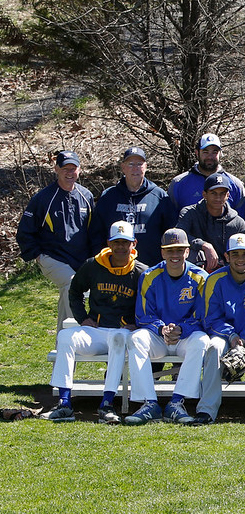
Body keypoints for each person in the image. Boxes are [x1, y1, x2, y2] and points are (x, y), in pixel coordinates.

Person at [41, 221, 147, 423]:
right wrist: (83, 318)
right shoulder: (93, 265)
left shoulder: (141, 271)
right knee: (65, 337)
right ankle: (64, 403)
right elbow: (75, 291)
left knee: (117, 338)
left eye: (125, 243)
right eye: (116, 243)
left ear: (134, 244)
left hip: (123, 332)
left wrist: (138, 323)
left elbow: (151, 302)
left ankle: (106, 404)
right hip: (97, 332)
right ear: (109, 243)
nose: (121, 247)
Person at [124, 228, 210, 425]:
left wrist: (182, 329)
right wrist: (161, 329)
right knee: (136, 338)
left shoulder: (200, 277)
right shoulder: (149, 276)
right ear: (162, 252)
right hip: (159, 337)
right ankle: (149, 403)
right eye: (170, 250)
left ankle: (177, 402)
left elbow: (204, 314)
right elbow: (143, 315)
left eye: (179, 250)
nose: (175, 255)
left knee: (202, 341)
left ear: (188, 252)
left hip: (185, 337)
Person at [192, 234, 245, 424]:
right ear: (227, 256)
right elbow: (210, 317)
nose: (240, 259)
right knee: (213, 347)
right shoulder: (214, 280)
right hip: (222, 334)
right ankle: (207, 409)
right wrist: (231, 336)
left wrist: (243, 338)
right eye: (235, 254)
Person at [17, 150, 94, 330]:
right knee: (72, 283)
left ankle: (63, 348)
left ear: (79, 170)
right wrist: (37, 256)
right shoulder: (43, 198)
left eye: (73, 168)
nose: (69, 173)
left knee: (69, 292)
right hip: (53, 258)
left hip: (80, 260)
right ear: (56, 169)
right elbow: (24, 232)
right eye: (65, 168)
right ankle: (78, 331)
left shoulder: (86, 196)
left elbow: (93, 231)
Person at [90, 147, 178, 269]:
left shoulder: (160, 197)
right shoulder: (108, 197)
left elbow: (171, 231)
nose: (135, 168)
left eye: (139, 164)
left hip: (152, 269)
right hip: (114, 269)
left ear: (146, 167)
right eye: (131, 164)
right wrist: (100, 263)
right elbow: (96, 234)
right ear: (123, 167)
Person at [176, 174, 245, 274]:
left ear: (228, 195)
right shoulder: (189, 213)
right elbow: (179, 236)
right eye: (213, 193)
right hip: (195, 271)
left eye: (222, 193)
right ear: (204, 194)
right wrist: (204, 245)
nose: (218, 198)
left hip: (228, 272)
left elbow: (244, 251)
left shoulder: (237, 222)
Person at [168, 133, 245, 217]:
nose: (210, 157)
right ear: (197, 153)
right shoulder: (178, 184)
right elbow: (170, 220)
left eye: (214, 152)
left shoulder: (235, 185)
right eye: (205, 152)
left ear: (220, 154)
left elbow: (241, 222)